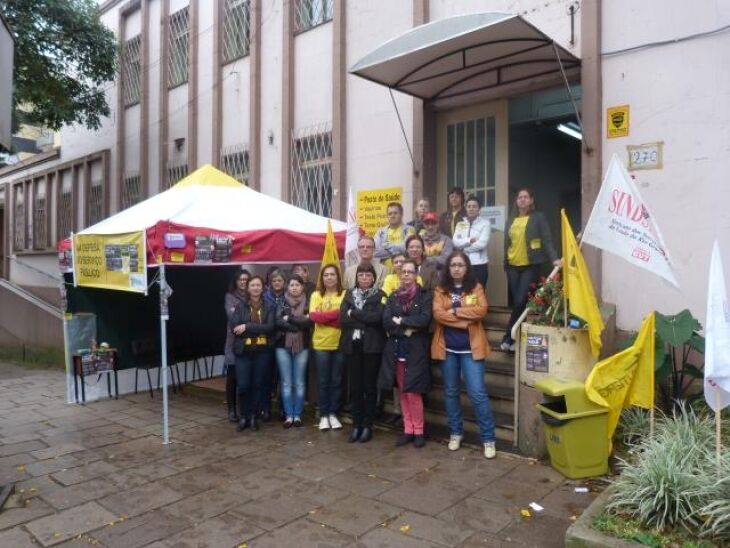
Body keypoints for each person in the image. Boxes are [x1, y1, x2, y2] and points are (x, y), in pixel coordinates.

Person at [432, 251, 497, 459]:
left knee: (477, 394)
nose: (457, 268)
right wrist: (464, 319)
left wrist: (455, 312)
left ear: (467, 267)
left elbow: (481, 310)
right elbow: (438, 314)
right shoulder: (441, 289)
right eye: (453, 265)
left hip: (471, 349)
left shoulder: (476, 287)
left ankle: (488, 439)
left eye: (460, 264)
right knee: (451, 392)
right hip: (448, 349)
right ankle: (456, 433)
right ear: (448, 269)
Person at [379, 259, 433, 448]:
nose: (407, 275)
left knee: (414, 392)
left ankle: (418, 430)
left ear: (416, 274)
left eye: (410, 271)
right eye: (404, 272)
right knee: (402, 391)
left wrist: (400, 320)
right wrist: (406, 328)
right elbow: (386, 321)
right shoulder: (393, 296)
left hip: (416, 351)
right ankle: (407, 429)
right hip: (397, 350)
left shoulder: (424, 296)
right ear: (400, 274)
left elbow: (425, 319)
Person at [501, 188, 560, 352]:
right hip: (512, 266)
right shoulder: (510, 220)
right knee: (518, 303)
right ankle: (515, 338)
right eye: (520, 197)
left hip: (530, 265)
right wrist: (505, 262)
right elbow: (507, 243)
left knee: (520, 301)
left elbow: (547, 239)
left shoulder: (538, 217)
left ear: (531, 200)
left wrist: (554, 258)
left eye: (526, 197)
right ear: (516, 201)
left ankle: (508, 337)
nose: (522, 199)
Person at [339, 263, 386, 443]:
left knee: (369, 387)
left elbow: (377, 319)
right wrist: (362, 319)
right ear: (356, 278)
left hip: (372, 347)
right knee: (356, 387)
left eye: (368, 275)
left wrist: (354, 314)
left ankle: (367, 425)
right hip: (353, 347)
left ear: (373, 278)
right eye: (361, 275)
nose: (364, 278)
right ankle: (356, 424)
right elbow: (343, 318)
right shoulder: (348, 294)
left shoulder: (380, 295)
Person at [230, 275, 275, 432]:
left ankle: (254, 417)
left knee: (257, 385)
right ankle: (244, 416)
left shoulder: (269, 307)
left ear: (263, 288)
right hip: (243, 352)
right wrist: (256, 328)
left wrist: (248, 326)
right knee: (243, 386)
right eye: (252, 285)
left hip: (262, 352)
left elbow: (270, 328)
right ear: (248, 288)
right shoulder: (239, 306)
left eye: (258, 285)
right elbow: (235, 329)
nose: (255, 288)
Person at [309, 263, 347, 431]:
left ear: (338, 277)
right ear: (322, 278)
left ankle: (333, 413)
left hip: (339, 343)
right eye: (326, 275)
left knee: (337, 381)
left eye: (332, 274)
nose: (329, 277)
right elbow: (313, 316)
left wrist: (325, 317)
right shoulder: (316, 295)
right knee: (323, 381)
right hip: (321, 344)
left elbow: (343, 318)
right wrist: (333, 317)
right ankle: (324, 414)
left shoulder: (345, 294)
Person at [275, 275, 312, 428]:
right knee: (286, 382)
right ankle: (288, 415)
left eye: (297, 284)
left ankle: (298, 415)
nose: (294, 287)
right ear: (287, 287)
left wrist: (288, 319)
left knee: (299, 382)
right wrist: (297, 322)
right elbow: (276, 322)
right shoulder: (281, 301)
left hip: (302, 346)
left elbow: (309, 322)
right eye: (291, 285)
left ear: (302, 287)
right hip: (282, 346)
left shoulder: (308, 302)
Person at [223, 269, 250, 422]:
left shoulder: (253, 295)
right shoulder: (230, 296)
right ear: (236, 281)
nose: (243, 282)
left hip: (248, 341)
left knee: (245, 378)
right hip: (233, 341)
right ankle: (231, 410)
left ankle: (244, 410)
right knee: (232, 377)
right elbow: (232, 315)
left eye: (246, 279)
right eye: (240, 279)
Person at [262, 269, 287, 421]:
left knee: (282, 377)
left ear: (284, 282)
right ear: (270, 283)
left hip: (283, 342)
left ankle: (283, 409)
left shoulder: (288, 297)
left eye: (280, 281)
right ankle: (266, 409)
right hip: (267, 342)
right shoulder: (265, 297)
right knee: (267, 377)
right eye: (274, 281)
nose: (277, 283)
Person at [453, 195, 490, 289]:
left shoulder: (485, 223)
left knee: (479, 294)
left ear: (479, 209)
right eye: (469, 206)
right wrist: (469, 240)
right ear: (465, 208)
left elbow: (482, 244)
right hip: (463, 263)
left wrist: (463, 247)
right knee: (464, 293)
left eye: (474, 206)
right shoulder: (460, 224)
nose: (471, 209)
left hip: (479, 265)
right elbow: (455, 242)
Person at [374, 202, 415, 268]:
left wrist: (386, 246)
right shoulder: (380, 232)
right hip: (386, 273)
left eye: (395, 213)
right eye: (390, 214)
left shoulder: (409, 230)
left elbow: (406, 249)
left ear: (401, 215)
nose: (392, 216)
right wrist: (399, 250)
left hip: (405, 271)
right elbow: (375, 251)